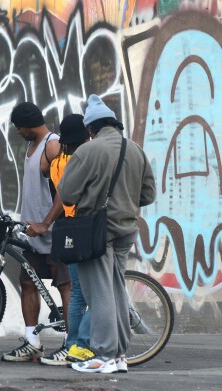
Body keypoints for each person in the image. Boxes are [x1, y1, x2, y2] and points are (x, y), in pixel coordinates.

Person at [58, 95, 156, 374]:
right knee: (115, 289)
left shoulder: (89, 151)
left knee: (99, 292)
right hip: (127, 228)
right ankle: (119, 355)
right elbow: (148, 194)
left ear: (91, 129)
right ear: (114, 124)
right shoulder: (135, 149)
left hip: (96, 230)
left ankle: (103, 354)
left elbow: (67, 193)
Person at [3, 102, 71, 362]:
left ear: (27, 124)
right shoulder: (31, 146)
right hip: (33, 232)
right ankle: (32, 341)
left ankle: (70, 342)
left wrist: (46, 223)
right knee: (28, 282)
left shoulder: (52, 145)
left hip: (54, 231)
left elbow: (66, 190)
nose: (18, 132)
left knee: (66, 286)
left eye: (19, 127)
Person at [29, 114, 94, 365]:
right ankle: (77, 345)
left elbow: (49, 178)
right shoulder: (79, 161)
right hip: (86, 226)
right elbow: (66, 194)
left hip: (69, 229)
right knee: (90, 292)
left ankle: (72, 346)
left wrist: (47, 223)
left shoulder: (57, 163)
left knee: (78, 292)